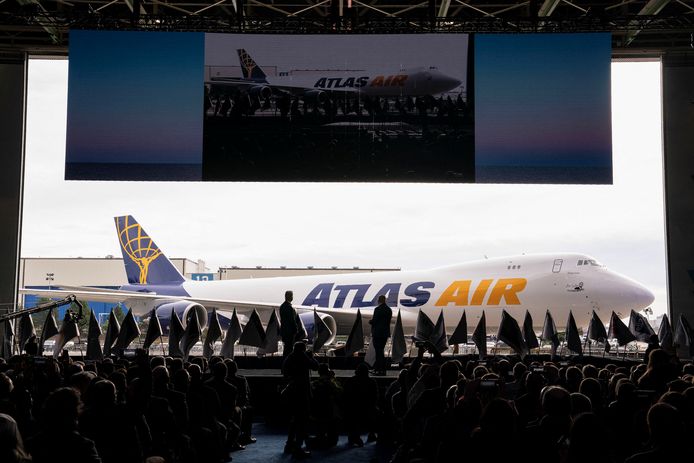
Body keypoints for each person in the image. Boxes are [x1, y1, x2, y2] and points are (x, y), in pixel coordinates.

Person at [281, 341, 318, 458]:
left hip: (292, 391)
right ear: (303, 349)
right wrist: (310, 357)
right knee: (302, 421)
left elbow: (284, 372)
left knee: (294, 420)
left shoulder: (290, 357)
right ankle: (298, 448)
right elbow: (315, 367)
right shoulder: (303, 357)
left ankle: (289, 445)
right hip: (302, 393)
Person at [369, 294, 392, 375]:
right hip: (385, 334)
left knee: (378, 352)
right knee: (381, 351)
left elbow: (375, 321)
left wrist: (370, 321)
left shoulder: (377, 309)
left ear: (379, 300)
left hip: (377, 334)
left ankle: (378, 370)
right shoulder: (389, 310)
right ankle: (382, 370)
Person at [280, 290, 301, 356]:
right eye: (291, 296)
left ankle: (285, 362)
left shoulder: (282, 306)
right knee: (289, 349)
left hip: (284, 332)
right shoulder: (289, 307)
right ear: (288, 296)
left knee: (286, 348)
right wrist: (296, 330)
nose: (292, 297)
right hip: (290, 332)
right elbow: (292, 320)